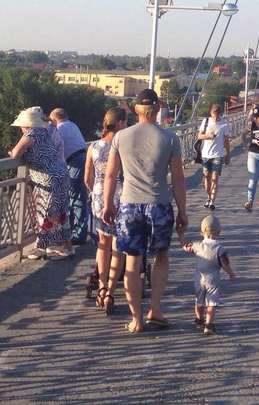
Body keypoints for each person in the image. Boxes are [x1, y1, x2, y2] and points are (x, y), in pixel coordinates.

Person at [102, 88, 188, 334]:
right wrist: (182, 211)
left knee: (132, 262)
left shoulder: (120, 137)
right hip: (159, 203)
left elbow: (111, 174)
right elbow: (179, 179)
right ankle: (155, 310)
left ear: (137, 109)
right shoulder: (171, 138)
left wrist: (109, 203)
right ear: (158, 109)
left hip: (129, 204)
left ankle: (136, 319)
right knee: (161, 256)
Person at [9, 106, 72, 260]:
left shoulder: (31, 134)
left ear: (26, 125)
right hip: (61, 174)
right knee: (61, 213)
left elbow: (16, 153)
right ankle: (67, 247)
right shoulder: (44, 132)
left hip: (48, 178)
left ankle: (41, 247)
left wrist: (12, 153)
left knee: (46, 212)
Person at [84, 106, 127, 314]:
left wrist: (96, 192)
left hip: (100, 199)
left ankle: (101, 288)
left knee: (103, 243)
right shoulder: (123, 145)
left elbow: (86, 178)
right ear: (120, 124)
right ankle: (110, 291)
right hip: (121, 198)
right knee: (118, 247)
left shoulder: (93, 146)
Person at [181, 213, 236, 335]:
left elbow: (185, 247)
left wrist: (181, 234)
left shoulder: (197, 246)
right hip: (213, 279)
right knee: (212, 302)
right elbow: (225, 264)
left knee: (199, 301)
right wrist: (231, 273)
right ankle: (209, 324)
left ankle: (199, 319)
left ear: (201, 232)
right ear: (219, 232)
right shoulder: (219, 249)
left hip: (199, 278)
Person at [50, 108, 90, 247]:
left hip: (74, 162)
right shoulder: (72, 125)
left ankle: (78, 234)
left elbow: (54, 147)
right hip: (81, 158)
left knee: (76, 198)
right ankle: (74, 232)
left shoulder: (60, 128)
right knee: (77, 197)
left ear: (54, 120)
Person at [197, 104, 231, 211]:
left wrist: (228, 154)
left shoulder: (224, 124)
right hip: (206, 154)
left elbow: (226, 140)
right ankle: (208, 197)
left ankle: (212, 201)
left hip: (218, 154)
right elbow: (199, 136)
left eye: (218, 116)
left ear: (220, 114)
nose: (216, 118)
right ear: (211, 113)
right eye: (214, 116)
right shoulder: (206, 121)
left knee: (215, 178)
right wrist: (208, 136)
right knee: (207, 177)